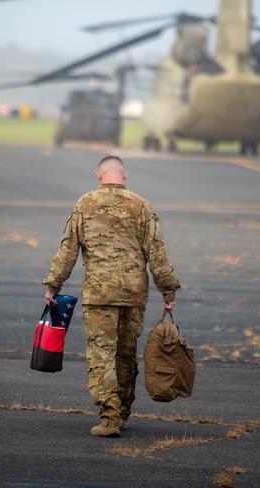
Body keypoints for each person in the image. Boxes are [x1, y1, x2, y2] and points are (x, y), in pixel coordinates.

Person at [43, 155, 181, 437]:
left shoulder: (84, 204)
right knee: (126, 354)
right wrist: (167, 290)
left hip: (99, 294)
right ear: (125, 175)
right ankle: (123, 411)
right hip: (133, 293)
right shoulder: (142, 206)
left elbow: (68, 249)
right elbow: (157, 252)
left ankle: (109, 417)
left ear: (99, 175)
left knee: (101, 353)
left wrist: (53, 285)